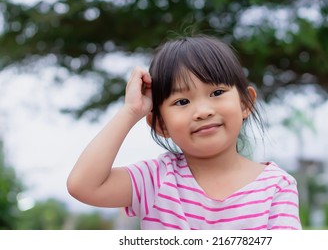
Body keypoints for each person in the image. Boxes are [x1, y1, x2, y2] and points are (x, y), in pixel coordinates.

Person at [67, 34, 302, 230]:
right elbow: (83, 185)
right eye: (182, 102)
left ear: (245, 103)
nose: (202, 111)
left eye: (217, 92)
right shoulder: (156, 180)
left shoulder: (276, 187)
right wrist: (130, 111)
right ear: (161, 125)